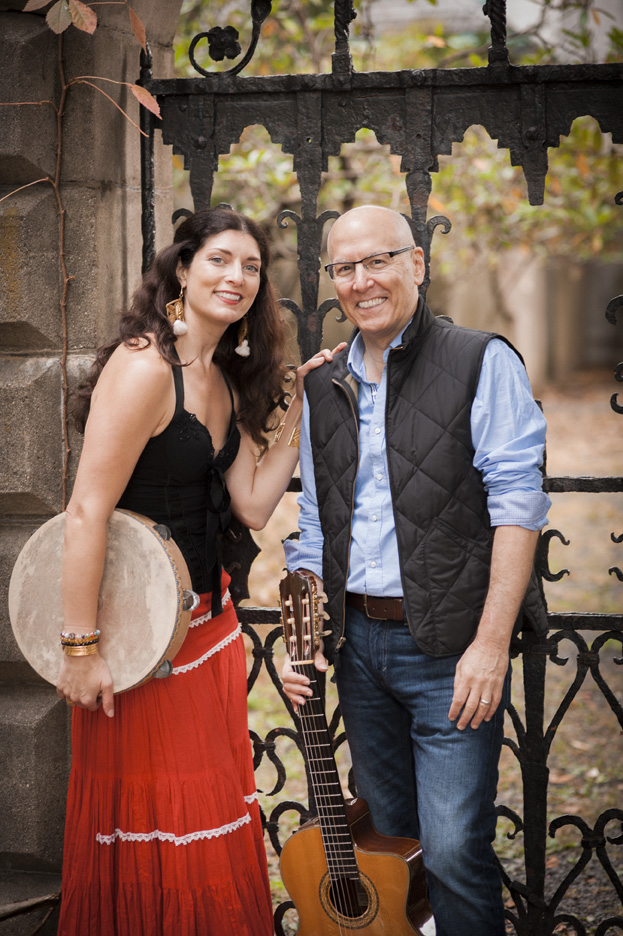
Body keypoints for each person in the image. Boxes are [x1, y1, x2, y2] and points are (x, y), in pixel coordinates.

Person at [55, 207, 343, 936]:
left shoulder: (223, 377)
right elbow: (86, 510)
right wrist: (81, 648)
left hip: (210, 633)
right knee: (158, 832)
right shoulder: (145, 366)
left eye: (251, 267)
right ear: (182, 269)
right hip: (141, 647)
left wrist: (297, 407)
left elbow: (251, 504)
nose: (236, 277)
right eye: (219, 259)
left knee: (207, 822)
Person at [281, 205, 550, 936]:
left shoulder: (478, 360)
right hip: (357, 650)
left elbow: (518, 506)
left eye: (379, 261)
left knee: (454, 850)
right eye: (344, 268)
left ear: (417, 265)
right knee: (389, 851)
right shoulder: (323, 386)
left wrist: (490, 644)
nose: (361, 281)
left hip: (449, 649)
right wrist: (304, 641)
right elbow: (315, 524)